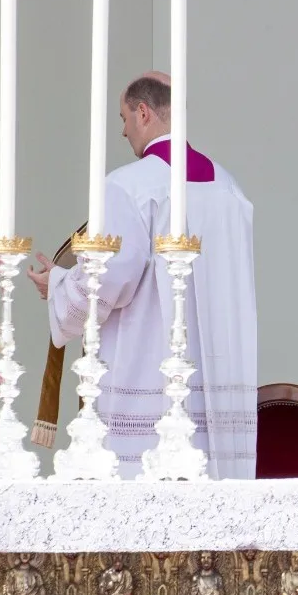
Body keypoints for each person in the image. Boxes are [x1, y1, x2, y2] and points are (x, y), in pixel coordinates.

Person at [27, 72, 256, 479]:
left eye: (124, 118)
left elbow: (110, 278)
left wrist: (59, 286)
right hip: (217, 386)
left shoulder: (126, 185)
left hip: (146, 384)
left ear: (144, 113)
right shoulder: (228, 187)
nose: (123, 130)